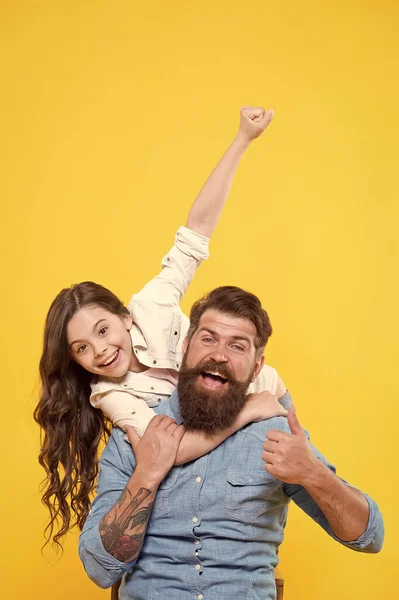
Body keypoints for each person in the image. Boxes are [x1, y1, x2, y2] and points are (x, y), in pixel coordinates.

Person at [34, 106, 289, 549]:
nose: (99, 350)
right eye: (80, 348)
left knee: (296, 473)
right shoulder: (109, 395)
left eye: (101, 330)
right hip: (225, 426)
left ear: (125, 315)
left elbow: (196, 231)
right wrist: (250, 410)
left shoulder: (151, 303)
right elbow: (170, 451)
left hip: (269, 394)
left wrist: (243, 139)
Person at [79, 286, 384, 599]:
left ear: (256, 367)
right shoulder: (135, 436)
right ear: (184, 347)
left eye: (237, 347)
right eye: (208, 339)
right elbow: (99, 569)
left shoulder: (275, 434)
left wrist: (313, 473)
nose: (219, 355)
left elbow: (368, 537)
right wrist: (148, 474)